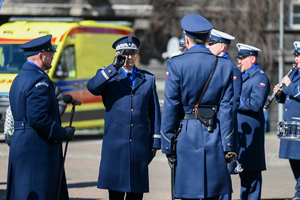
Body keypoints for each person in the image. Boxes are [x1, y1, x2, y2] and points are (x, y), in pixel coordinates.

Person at [161, 13, 235, 200]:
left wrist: (167, 144)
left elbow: (171, 106)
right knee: (214, 193)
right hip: (215, 133)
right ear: (208, 39)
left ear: (186, 39)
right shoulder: (225, 66)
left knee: (189, 194)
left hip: (185, 134)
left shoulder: (176, 64)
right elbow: (227, 109)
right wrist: (228, 145)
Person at [87, 35, 161, 200]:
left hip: (138, 145)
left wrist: (155, 141)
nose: (128, 58)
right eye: (124, 54)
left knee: (136, 194)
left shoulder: (148, 78)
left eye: (132, 53)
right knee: (116, 194)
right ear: (116, 54)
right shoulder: (108, 75)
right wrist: (113, 66)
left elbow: (154, 112)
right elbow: (92, 87)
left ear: (136, 54)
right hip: (115, 144)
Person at [6, 34, 75, 200]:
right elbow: (38, 118)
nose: (52, 57)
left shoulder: (19, 78)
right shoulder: (39, 80)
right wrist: (62, 133)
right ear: (40, 56)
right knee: (39, 192)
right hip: (35, 147)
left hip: (21, 143)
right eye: (50, 53)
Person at [207, 29, 243, 200]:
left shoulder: (230, 69)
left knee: (221, 177)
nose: (208, 46)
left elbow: (232, 105)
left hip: (222, 129)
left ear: (222, 47)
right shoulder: (213, 65)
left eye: (211, 43)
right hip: (211, 127)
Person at [235, 43, 270, 200]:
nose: (240, 61)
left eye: (242, 58)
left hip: (252, 133)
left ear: (252, 58)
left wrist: (237, 101)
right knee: (243, 175)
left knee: (253, 177)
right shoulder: (244, 76)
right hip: (242, 132)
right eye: (239, 58)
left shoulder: (260, 77)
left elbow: (257, 104)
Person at [4, 70, 67, 146]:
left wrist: (53, 115)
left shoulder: (50, 85)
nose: (46, 71)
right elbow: (36, 118)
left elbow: (61, 101)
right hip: (24, 135)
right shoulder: (32, 83)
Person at [274, 41, 300, 200]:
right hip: (290, 124)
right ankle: (299, 190)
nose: (296, 59)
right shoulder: (295, 73)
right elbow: (290, 96)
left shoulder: (293, 77)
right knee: (293, 159)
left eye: (299, 55)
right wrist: (279, 94)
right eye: (296, 55)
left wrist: (288, 85)